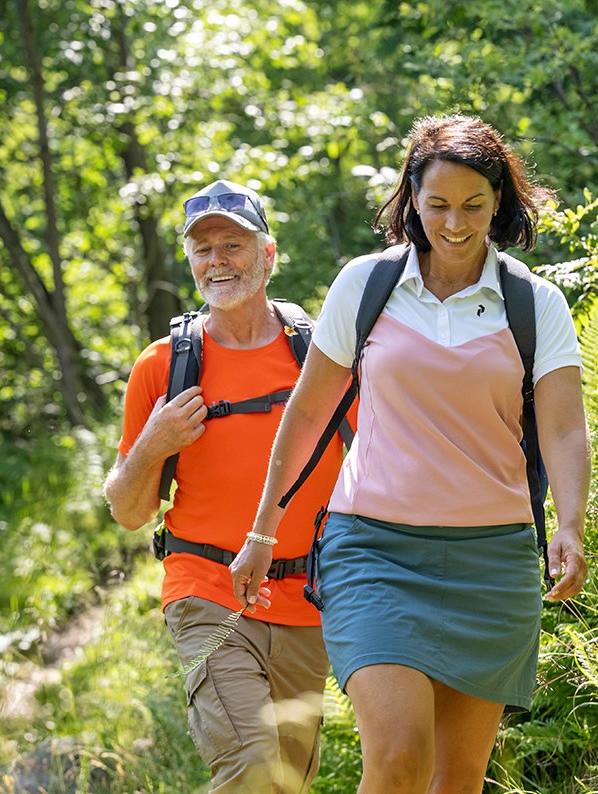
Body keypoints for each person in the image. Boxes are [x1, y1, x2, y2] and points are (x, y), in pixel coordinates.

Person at [230, 115, 591, 793]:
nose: (455, 224)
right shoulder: (367, 286)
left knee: (456, 781)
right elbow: (307, 412)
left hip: (493, 560)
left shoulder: (534, 303)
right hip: (375, 549)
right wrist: (262, 529)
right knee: (398, 759)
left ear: (499, 204)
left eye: (474, 207)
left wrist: (568, 525)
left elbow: (565, 429)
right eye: (438, 206)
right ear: (412, 202)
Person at [103, 179, 349, 793]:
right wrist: (154, 444)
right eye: (203, 248)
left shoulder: (321, 356)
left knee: (288, 778)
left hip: (307, 599)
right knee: (251, 763)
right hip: (206, 590)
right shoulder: (163, 366)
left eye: (232, 245)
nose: (217, 261)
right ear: (190, 262)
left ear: (268, 255)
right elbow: (127, 511)